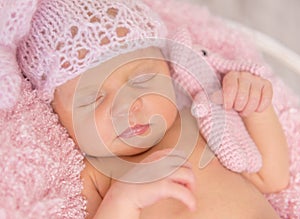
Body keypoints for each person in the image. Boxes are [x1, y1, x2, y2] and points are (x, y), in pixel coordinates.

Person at [12, 0, 290, 218]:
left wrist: (254, 105)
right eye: (92, 99)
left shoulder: (198, 119)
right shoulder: (96, 174)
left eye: (141, 79)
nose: (128, 107)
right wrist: (124, 200)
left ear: (169, 72)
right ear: (58, 117)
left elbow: (272, 177)